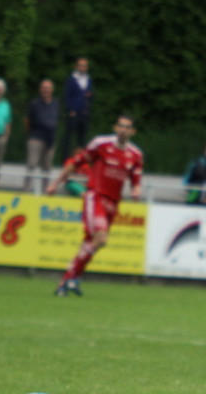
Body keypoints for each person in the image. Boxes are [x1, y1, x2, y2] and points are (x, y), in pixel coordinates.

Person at [46, 114, 143, 297]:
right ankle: (69, 278)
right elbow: (76, 162)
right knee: (101, 239)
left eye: (127, 127)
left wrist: (136, 190)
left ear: (133, 131)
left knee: (90, 243)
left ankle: (70, 281)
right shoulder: (101, 144)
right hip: (96, 196)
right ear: (115, 128)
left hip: (113, 203)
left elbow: (136, 180)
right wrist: (55, 183)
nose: (123, 130)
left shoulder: (136, 154)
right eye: (120, 126)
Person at [23, 79, 60, 192]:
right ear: (40, 89)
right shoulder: (34, 103)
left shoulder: (56, 103)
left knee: (47, 167)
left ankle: (46, 190)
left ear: (52, 90)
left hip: (50, 139)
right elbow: (27, 120)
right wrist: (31, 133)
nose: (46, 90)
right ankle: (26, 190)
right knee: (31, 164)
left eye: (48, 88)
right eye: (44, 88)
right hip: (36, 137)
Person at [60, 57, 93, 159]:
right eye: (80, 65)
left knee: (82, 138)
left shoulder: (88, 80)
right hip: (74, 113)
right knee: (69, 136)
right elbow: (67, 95)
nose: (82, 68)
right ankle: (65, 159)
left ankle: (80, 160)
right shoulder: (71, 79)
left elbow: (91, 95)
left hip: (84, 113)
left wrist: (88, 105)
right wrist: (70, 109)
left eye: (84, 66)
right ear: (77, 67)